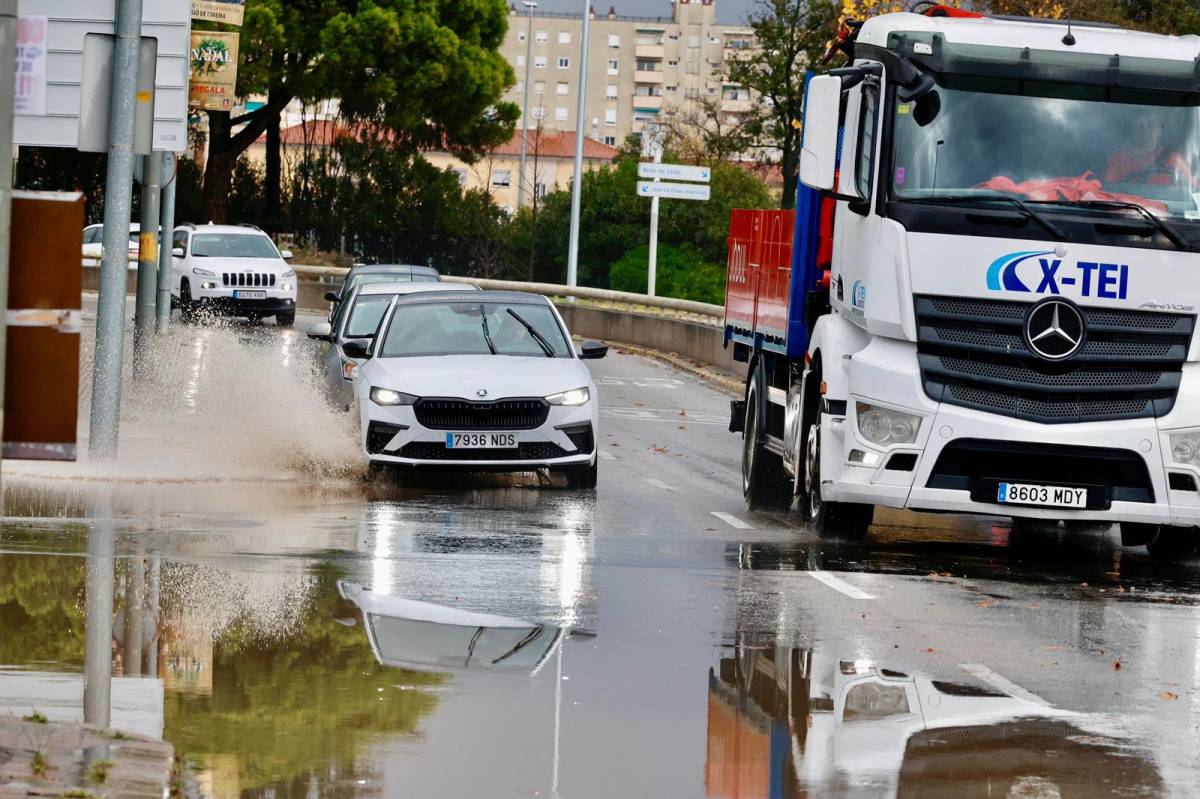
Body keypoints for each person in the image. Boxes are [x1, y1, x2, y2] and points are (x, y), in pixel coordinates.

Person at [1104, 114, 1192, 188]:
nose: (1145, 131)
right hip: (1129, 207)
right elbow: (1108, 190)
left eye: (1150, 125)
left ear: (1159, 131)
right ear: (1133, 132)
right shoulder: (1120, 160)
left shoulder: (1173, 160)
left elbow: (1193, 190)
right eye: (1140, 127)